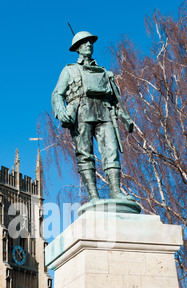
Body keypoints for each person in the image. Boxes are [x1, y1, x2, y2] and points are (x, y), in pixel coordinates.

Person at [52, 31, 134, 202]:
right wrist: (61, 112)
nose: (88, 45)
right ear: (77, 49)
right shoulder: (69, 70)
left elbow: (115, 99)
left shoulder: (103, 71)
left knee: (111, 151)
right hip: (81, 113)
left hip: (104, 113)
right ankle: (94, 196)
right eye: (84, 43)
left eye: (90, 42)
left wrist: (123, 116)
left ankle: (116, 192)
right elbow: (57, 94)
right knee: (85, 154)